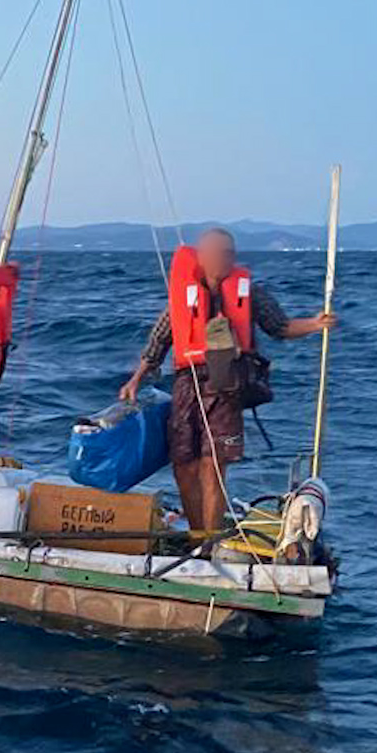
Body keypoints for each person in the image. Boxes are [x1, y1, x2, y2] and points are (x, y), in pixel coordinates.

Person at [117, 227, 336, 532]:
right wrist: (135, 380)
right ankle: (197, 535)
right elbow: (159, 341)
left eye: (229, 254)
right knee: (185, 465)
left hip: (228, 389)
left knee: (213, 464)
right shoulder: (183, 296)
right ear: (202, 256)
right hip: (187, 385)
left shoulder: (250, 293)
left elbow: (280, 327)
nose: (223, 259)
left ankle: (210, 537)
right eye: (217, 253)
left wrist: (315, 324)